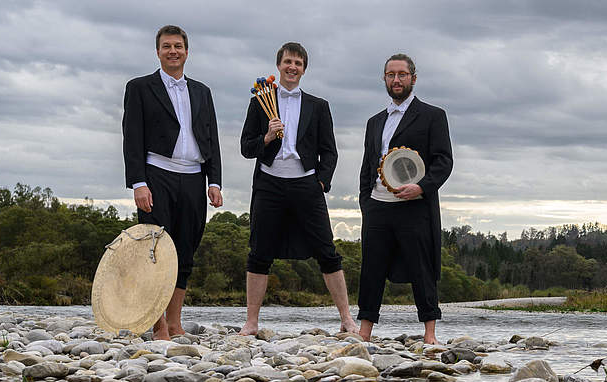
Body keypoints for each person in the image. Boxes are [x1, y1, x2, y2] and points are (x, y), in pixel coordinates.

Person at [239, 42, 358, 336]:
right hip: (269, 183)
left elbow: (329, 151)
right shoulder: (260, 102)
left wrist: (321, 181)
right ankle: (251, 322)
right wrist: (266, 137)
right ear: (279, 65)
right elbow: (245, 147)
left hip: (306, 184)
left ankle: (346, 319)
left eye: (298, 63)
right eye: (288, 62)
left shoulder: (319, 106)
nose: (292, 67)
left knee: (327, 251)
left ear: (304, 69)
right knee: (259, 252)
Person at [122, 25, 222, 341]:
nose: (173, 51)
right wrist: (138, 182)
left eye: (178, 46)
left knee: (185, 252)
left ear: (187, 52)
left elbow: (212, 138)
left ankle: (175, 321)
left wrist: (215, 182)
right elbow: (132, 138)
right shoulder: (139, 88)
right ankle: (158, 324)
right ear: (158, 52)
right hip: (156, 175)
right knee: (154, 252)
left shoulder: (202, 92)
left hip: (194, 177)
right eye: (167, 46)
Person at [356, 53, 452, 344]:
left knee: (422, 268)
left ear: (413, 78)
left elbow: (443, 161)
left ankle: (430, 333)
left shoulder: (433, 116)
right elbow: (367, 164)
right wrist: (365, 202)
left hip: (414, 205)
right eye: (390, 75)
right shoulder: (375, 121)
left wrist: (421, 188)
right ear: (384, 79)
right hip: (378, 205)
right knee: (371, 268)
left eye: (401, 74)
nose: (396, 80)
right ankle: (364, 331)